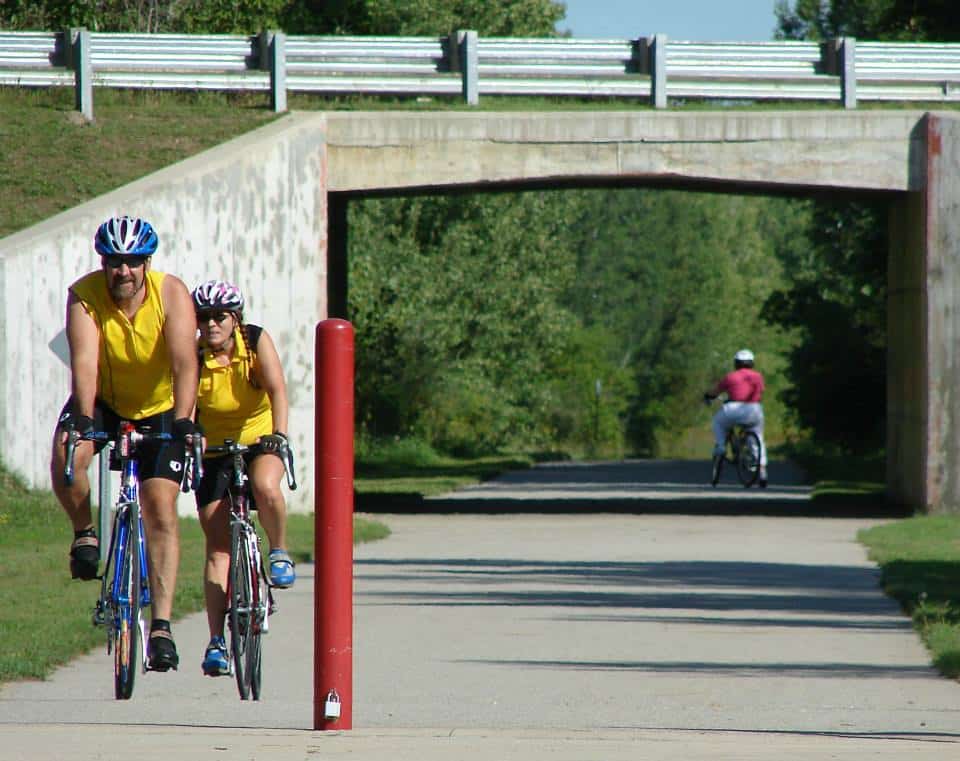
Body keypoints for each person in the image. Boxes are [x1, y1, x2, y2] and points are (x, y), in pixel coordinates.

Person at [50, 215, 199, 672]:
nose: (124, 272)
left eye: (133, 263)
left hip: (160, 406)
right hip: (106, 399)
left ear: (146, 264)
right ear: (104, 263)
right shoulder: (85, 294)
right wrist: (82, 414)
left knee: (160, 507)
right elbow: (85, 361)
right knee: (67, 459)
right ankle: (85, 533)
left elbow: (184, 364)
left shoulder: (171, 293)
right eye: (115, 262)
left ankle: (161, 627)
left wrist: (184, 421)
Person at [190, 279, 295, 677]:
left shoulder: (254, 342)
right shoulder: (192, 352)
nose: (210, 324)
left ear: (235, 319)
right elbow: (181, 400)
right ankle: (217, 641)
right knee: (217, 548)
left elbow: (277, 389)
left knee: (266, 485)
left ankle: (279, 550)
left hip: (258, 437)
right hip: (214, 447)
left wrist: (279, 435)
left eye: (219, 317)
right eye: (203, 317)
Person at [704, 348, 768, 487]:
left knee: (718, 422)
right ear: (752, 363)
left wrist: (708, 396)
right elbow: (760, 391)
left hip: (733, 409)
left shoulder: (731, 376)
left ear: (736, 363)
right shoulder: (758, 377)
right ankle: (762, 473)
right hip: (754, 409)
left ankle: (721, 446)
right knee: (758, 439)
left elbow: (716, 391)